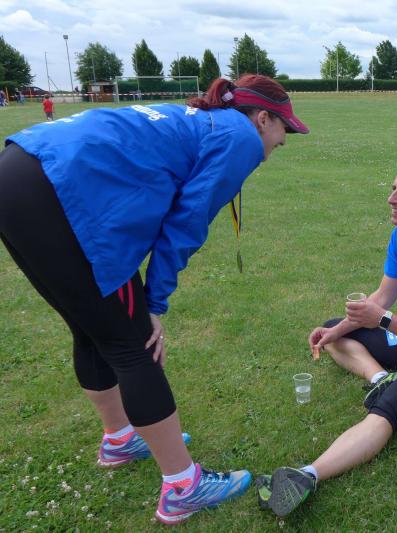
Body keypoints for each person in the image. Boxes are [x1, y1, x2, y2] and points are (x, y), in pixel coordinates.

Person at [0, 74, 309, 524]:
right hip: (59, 188)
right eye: (283, 130)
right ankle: (182, 487)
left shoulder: (209, 122)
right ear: (262, 119)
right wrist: (152, 305)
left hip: (20, 168)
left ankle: (119, 438)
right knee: (134, 344)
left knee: (92, 328)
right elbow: (185, 225)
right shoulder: (240, 135)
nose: (282, 141)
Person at [256, 162, 397, 516]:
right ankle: (379, 378)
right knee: (334, 331)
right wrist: (337, 332)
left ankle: (308, 475)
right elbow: (382, 297)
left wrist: (384, 319)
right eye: (393, 189)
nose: (391, 198)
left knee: (387, 411)